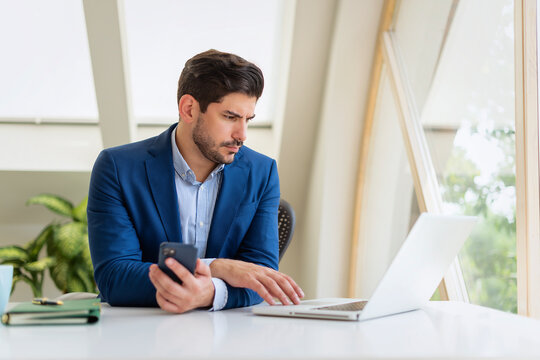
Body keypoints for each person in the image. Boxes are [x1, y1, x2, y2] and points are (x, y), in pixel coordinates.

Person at [87, 49, 304, 313]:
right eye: (230, 117)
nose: (242, 134)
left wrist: (210, 292)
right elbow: (114, 275)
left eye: (248, 119)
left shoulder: (262, 172)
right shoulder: (118, 168)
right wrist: (215, 267)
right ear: (189, 109)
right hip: (142, 331)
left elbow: (261, 274)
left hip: (229, 337)